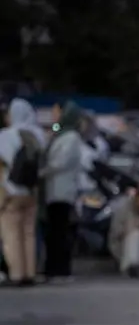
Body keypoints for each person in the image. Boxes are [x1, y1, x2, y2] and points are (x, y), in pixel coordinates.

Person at [0, 98, 47, 287]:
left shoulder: (5, 135)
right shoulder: (37, 135)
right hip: (31, 191)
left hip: (10, 191)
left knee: (11, 234)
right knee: (29, 234)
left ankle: (17, 274)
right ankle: (30, 273)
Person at [40, 101, 86, 282]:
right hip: (53, 190)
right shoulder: (59, 133)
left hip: (62, 190)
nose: (54, 116)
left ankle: (60, 269)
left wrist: (42, 171)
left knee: (59, 231)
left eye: (57, 112)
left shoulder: (71, 137)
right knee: (53, 231)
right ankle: (52, 268)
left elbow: (61, 162)